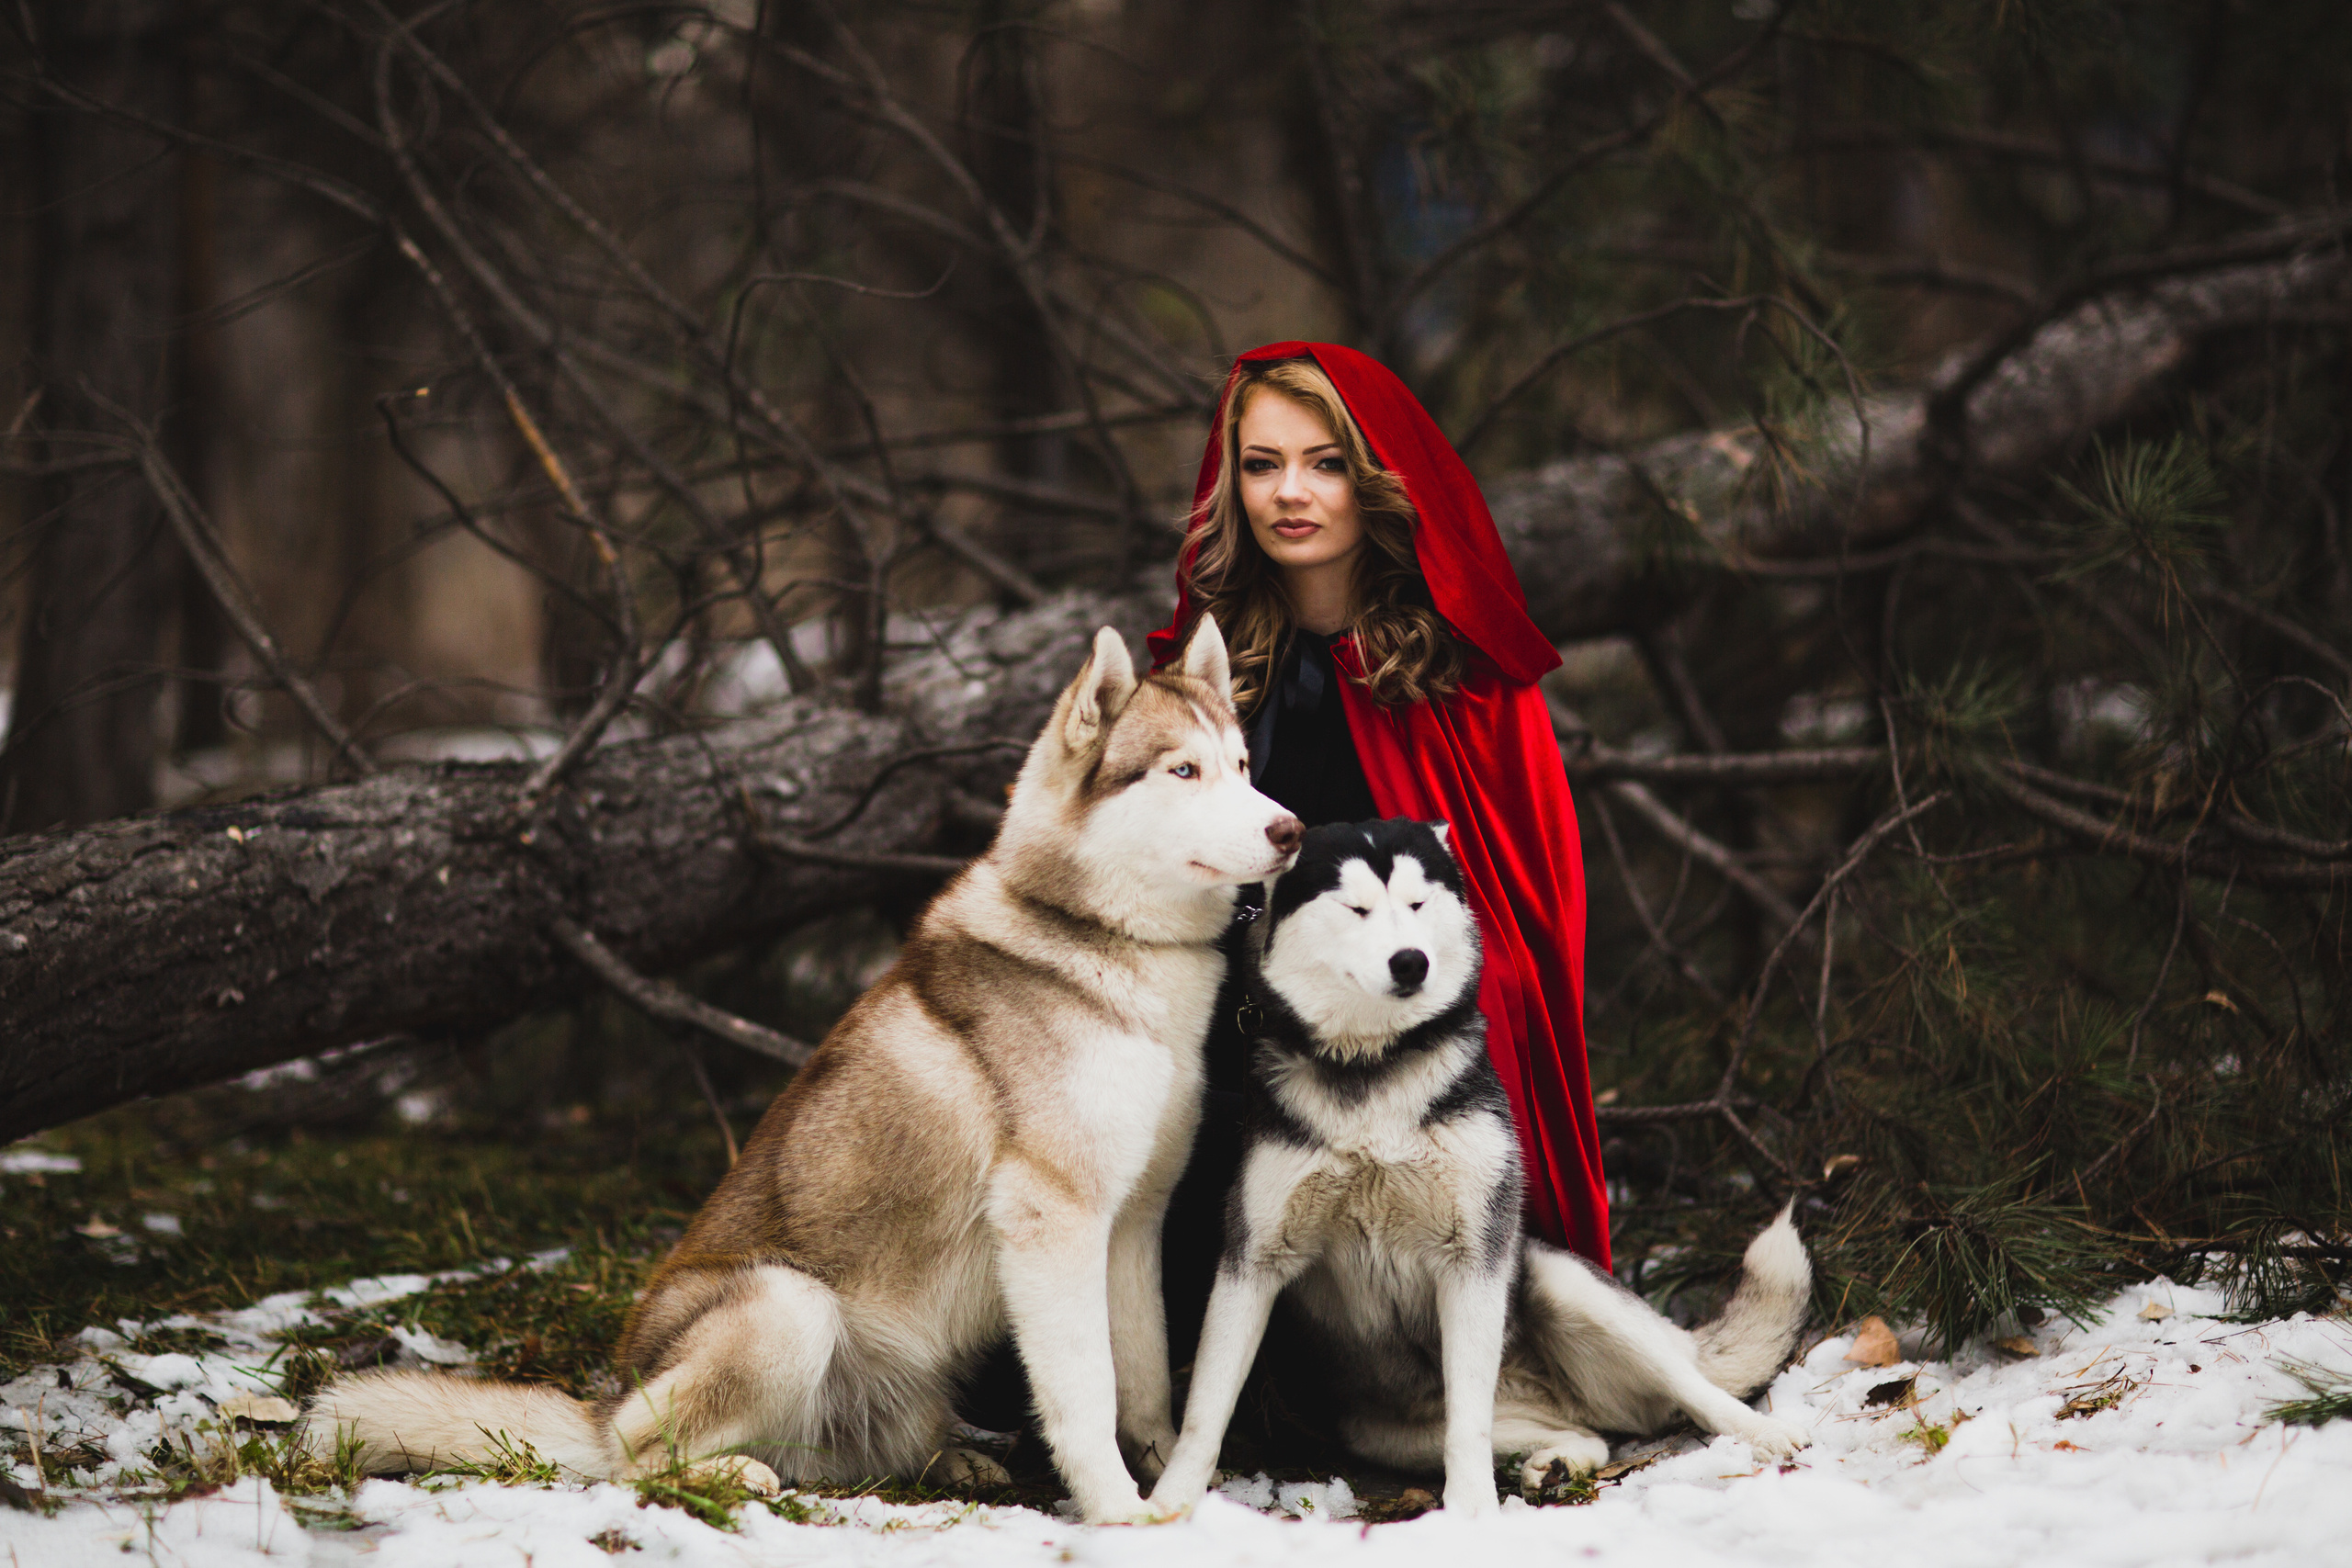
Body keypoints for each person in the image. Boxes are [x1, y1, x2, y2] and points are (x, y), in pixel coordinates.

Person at [1147, 343, 1609, 1303]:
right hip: (1231, 1048)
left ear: (1375, 481)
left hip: (1405, 1045)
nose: (1290, 492)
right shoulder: (1209, 675)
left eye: (1325, 464)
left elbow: (1521, 929)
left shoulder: (1463, 683)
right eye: (1262, 464)